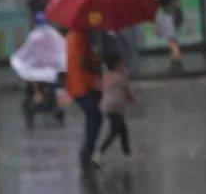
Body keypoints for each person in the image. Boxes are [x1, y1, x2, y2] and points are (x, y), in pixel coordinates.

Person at [10, 13, 66, 127]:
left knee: (31, 88)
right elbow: (62, 51)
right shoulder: (55, 35)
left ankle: (36, 101)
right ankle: (51, 105)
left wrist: (17, 59)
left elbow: (25, 52)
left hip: (36, 73)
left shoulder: (34, 36)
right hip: (52, 73)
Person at [65, 29, 102, 168]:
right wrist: (95, 62)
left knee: (92, 116)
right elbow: (82, 60)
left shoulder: (72, 36)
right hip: (81, 85)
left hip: (77, 85)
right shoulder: (80, 37)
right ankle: (86, 153)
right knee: (95, 116)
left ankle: (87, 152)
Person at [98, 52, 134, 157]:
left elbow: (101, 87)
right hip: (116, 106)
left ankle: (127, 151)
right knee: (115, 130)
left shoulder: (106, 75)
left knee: (122, 128)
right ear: (117, 65)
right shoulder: (121, 76)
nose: (124, 64)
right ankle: (99, 153)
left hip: (107, 106)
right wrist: (132, 99)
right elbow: (126, 90)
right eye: (122, 63)